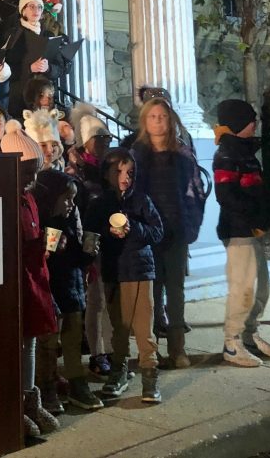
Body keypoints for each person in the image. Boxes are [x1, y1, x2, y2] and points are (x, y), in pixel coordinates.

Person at [131, 97, 206, 368]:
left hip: (176, 230)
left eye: (163, 116)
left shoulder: (182, 154)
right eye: (152, 116)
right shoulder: (137, 155)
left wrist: (191, 223)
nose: (158, 121)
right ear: (145, 121)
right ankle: (150, 350)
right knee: (152, 292)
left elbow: (194, 191)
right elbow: (133, 193)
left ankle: (178, 349)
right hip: (149, 233)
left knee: (176, 290)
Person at [87, 148, 164, 402]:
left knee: (143, 326)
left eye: (129, 172)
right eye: (118, 171)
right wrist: (103, 235)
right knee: (118, 328)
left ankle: (150, 374)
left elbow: (157, 232)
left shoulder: (141, 200)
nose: (125, 177)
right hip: (113, 270)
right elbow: (91, 232)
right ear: (106, 173)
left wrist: (134, 229)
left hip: (139, 270)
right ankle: (119, 370)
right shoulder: (99, 203)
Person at [213, 99, 270, 367]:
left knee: (261, 286)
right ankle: (232, 342)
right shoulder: (228, 155)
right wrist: (255, 216)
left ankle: (250, 334)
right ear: (236, 123)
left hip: (252, 229)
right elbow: (227, 195)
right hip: (238, 229)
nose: (255, 123)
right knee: (243, 287)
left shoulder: (244, 153)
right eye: (249, 119)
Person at [0, 120, 59, 438]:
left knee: (30, 342)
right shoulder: (4, 199)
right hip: (16, 279)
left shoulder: (28, 198)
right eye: (26, 172)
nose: (32, 180)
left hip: (34, 276)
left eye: (35, 172)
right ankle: (16, 405)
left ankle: (30, 399)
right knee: (17, 343)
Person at [33, 168, 102, 411]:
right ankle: (46, 386)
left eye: (74, 198)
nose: (72, 203)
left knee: (73, 339)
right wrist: (48, 248)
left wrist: (87, 254)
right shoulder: (41, 221)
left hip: (71, 288)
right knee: (49, 343)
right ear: (52, 198)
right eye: (67, 198)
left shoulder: (72, 219)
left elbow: (77, 258)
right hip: (50, 289)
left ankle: (77, 383)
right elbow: (39, 260)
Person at [2, 0, 66, 119]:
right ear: (23, 10)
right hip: (20, 98)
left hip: (44, 98)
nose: (36, 10)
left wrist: (48, 68)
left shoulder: (48, 35)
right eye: (31, 6)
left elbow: (60, 67)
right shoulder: (13, 35)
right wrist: (29, 68)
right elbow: (4, 68)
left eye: (39, 7)